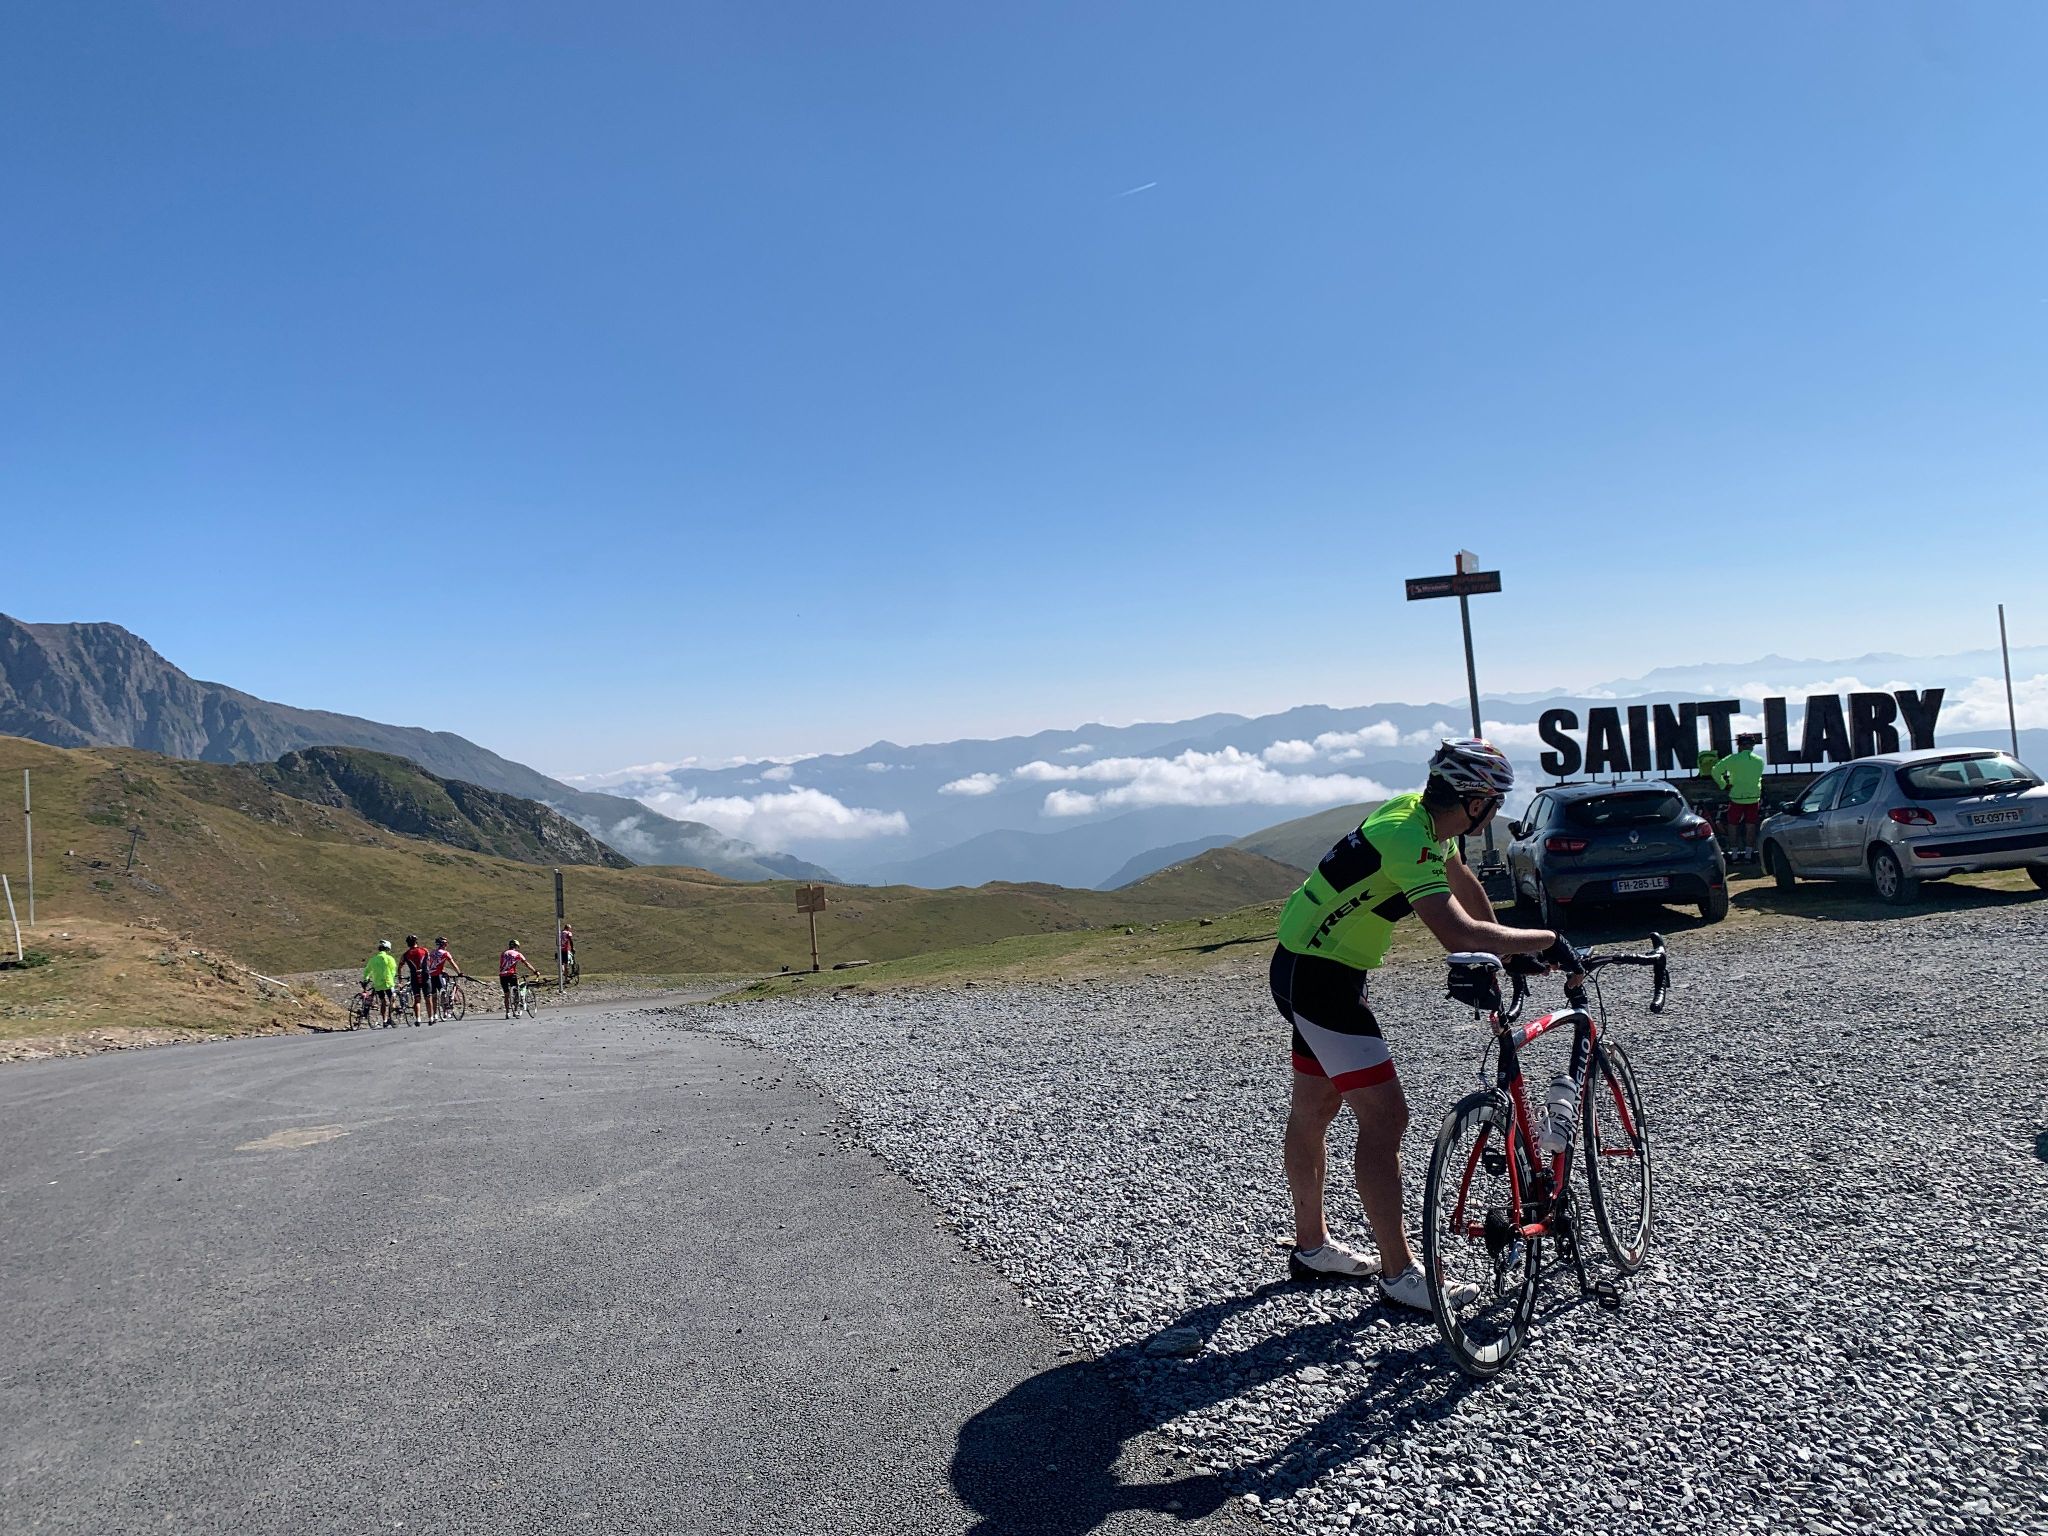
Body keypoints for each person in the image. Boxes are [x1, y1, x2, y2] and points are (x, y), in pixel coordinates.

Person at [1270, 738, 1580, 1312]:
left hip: (1309, 964)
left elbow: (1464, 886)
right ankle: (1399, 1273)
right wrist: (1546, 940)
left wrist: (1507, 951)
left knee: (1315, 1106)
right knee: (1386, 1116)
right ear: (1477, 803)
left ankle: (1312, 1247)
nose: (1495, 811)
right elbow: (1455, 932)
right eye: (1495, 802)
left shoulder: (1421, 816)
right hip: (1320, 978)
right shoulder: (1407, 838)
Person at [1711, 732, 1767, 862]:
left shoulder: (1732, 759)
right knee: (1750, 825)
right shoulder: (1759, 760)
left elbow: (1715, 770)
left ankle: (1734, 854)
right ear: (1752, 746)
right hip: (1753, 797)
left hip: (1736, 797)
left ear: (1739, 746)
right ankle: (1748, 854)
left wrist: (1723, 785)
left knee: (1733, 825)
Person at [499, 938, 542, 1019]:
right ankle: (515, 1010)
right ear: (516, 946)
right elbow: (526, 964)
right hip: (511, 974)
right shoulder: (517, 954)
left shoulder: (503, 953)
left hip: (502, 975)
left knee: (506, 994)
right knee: (516, 992)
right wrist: (535, 971)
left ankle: (507, 1012)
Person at [362, 939, 399, 1027]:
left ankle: (384, 1020)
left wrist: (366, 979)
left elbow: (367, 971)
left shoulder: (372, 959)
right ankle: (390, 1018)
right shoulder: (389, 958)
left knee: (383, 1001)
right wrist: (392, 977)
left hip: (377, 984)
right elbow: (393, 970)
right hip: (388, 983)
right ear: (388, 949)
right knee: (392, 999)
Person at [399, 934, 433, 1025]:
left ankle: (418, 1019)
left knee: (417, 999)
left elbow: (400, 966)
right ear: (416, 942)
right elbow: (429, 962)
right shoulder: (424, 950)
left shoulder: (405, 954)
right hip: (425, 976)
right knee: (428, 998)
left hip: (414, 978)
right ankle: (431, 1018)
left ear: (408, 944)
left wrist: (400, 978)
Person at [428, 936, 461, 1014]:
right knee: (443, 992)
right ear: (443, 945)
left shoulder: (432, 952)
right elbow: (453, 964)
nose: (446, 945)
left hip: (430, 975)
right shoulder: (445, 953)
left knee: (434, 996)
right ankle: (445, 1010)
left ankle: (435, 1014)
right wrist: (459, 973)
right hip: (438, 975)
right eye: (446, 944)